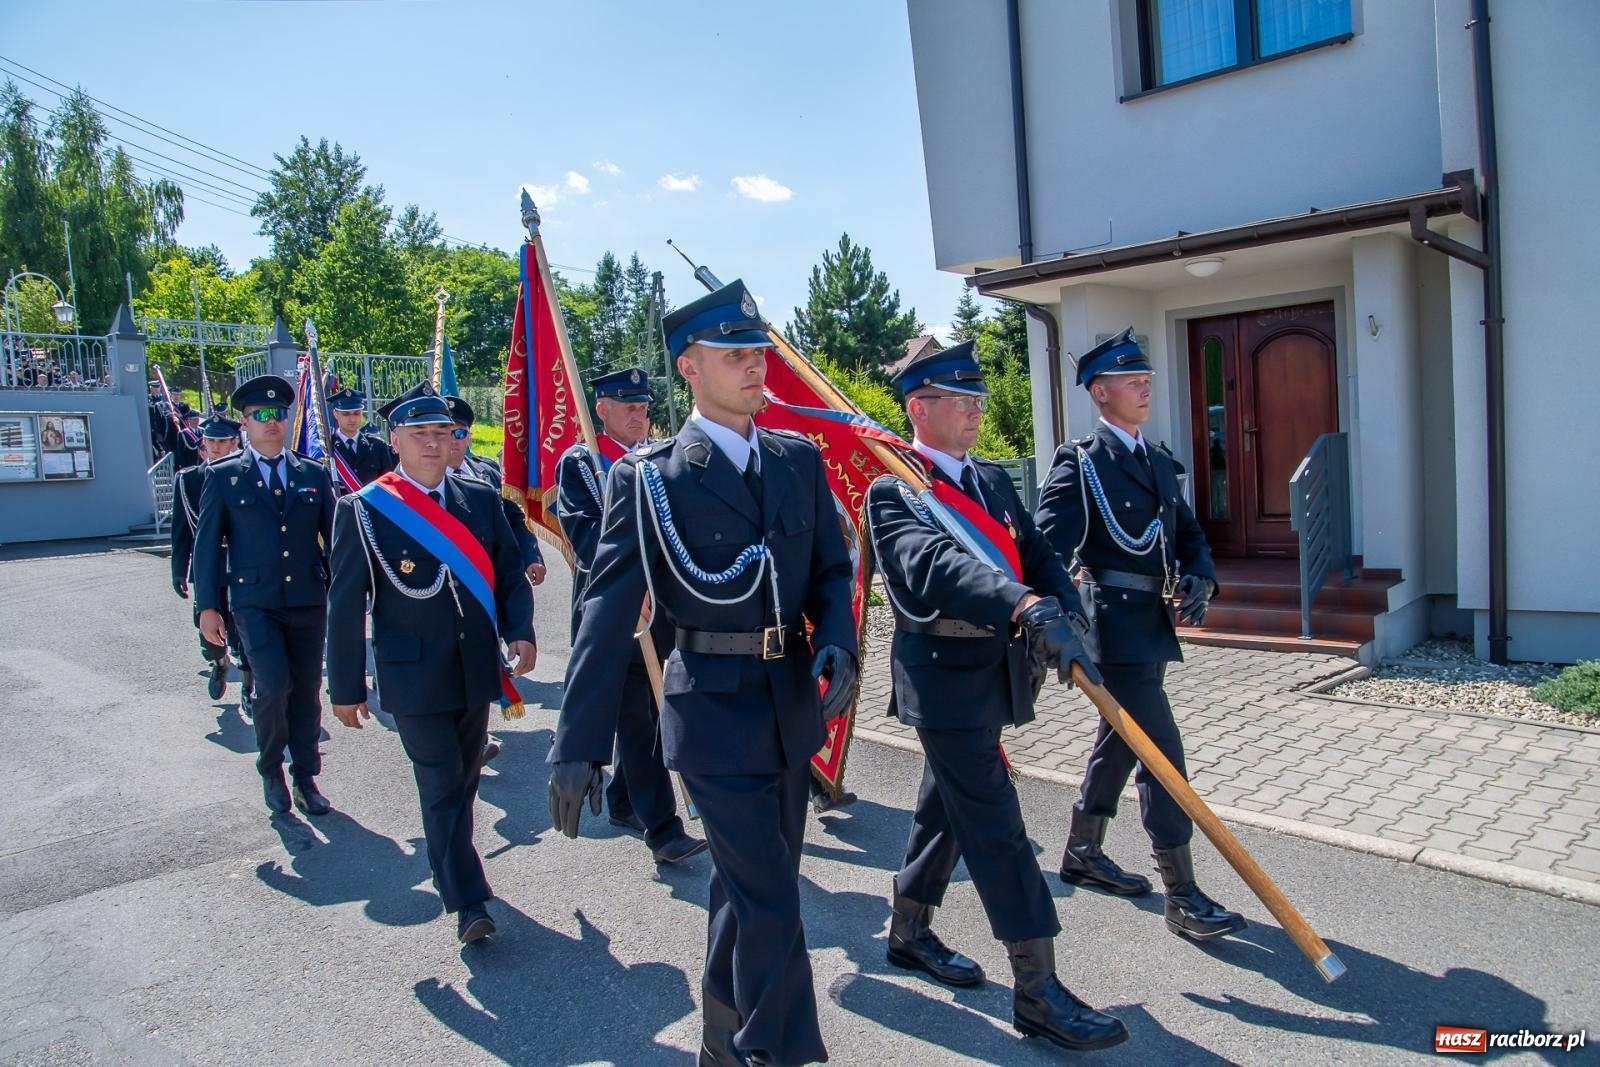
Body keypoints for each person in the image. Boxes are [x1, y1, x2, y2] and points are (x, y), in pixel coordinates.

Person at [547, 280, 857, 1067]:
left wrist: (841, 641)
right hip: (711, 712)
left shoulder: (796, 460)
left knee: (752, 887)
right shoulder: (650, 477)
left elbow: (830, 569)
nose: (756, 366)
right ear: (688, 366)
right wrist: (578, 739)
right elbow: (605, 610)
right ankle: (777, 1051)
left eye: (758, 351)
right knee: (772, 899)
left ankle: (720, 1038)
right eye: (734, 354)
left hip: (790, 702)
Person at [865, 340, 1127, 1053]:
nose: (977, 409)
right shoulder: (896, 487)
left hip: (996, 671)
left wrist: (1065, 608)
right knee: (998, 827)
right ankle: (1037, 990)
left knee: (944, 808)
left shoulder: (989, 480)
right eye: (961, 399)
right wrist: (1022, 604)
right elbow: (932, 567)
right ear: (919, 408)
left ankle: (908, 930)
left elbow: (1038, 552)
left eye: (978, 398)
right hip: (944, 678)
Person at [1033, 327, 1245, 943]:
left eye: (1145, 376)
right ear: (1100, 392)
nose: (1145, 385)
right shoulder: (1083, 462)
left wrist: (1202, 575)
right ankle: (1182, 896)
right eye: (1131, 378)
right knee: (1162, 754)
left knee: (1120, 744)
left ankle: (1082, 851)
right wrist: (1055, 619)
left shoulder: (1156, 460)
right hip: (1112, 628)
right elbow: (1045, 550)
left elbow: (1189, 534)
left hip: (1151, 624)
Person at [326, 381, 536, 943]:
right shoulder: (364, 509)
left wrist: (521, 631)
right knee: (442, 780)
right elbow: (346, 604)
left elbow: (509, 573)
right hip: (410, 674)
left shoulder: (480, 501)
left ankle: (456, 869)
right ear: (395, 440)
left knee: (464, 779)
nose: (433, 443)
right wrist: (344, 687)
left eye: (443, 432)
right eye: (419, 433)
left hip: (472, 667)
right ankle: (469, 899)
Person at [554, 367, 705, 864]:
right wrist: (628, 588)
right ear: (601, 409)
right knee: (637, 721)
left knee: (662, 713)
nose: (639, 414)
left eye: (643, 405)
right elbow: (584, 534)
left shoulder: (659, 461)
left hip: (660, 614)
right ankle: (664, 830)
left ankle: (624, 797)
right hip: (615, 615)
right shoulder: (581, 464)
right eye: (627, 406)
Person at [194, 374, 336, 818]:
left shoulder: (312, 474)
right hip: (254, 603)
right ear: (245, 422)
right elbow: (207, 547)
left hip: (307, 600)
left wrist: (351, 594)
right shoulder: (223, 476)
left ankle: (305, 775)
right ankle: (271, 766)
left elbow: (335, 540)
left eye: (279, 413)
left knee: (308, 689)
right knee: (273, 685)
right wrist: (207, 607)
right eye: (261, 415)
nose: (272, 422)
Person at [441, 393, 547, 769]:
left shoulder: (485, 475)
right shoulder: (408, 484)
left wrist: (531, 555)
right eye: (443, 431)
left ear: (469, 437)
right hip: (438, 600)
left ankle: (477, 735)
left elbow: (514, 523)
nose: (453, 440)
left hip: (484, 592)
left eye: (459, 432)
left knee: (478, 664)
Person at [171, 414, 253, 707]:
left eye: (222, 442)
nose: (216, 448)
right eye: (211, 441)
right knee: (208, 630)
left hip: (241, 565)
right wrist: (178, 570)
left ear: (235, 443)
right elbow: (181, 531)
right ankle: (218, 664)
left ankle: (249, 688)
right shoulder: (189, 480)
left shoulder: (246, 475)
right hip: (209, 568)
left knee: (246, 630)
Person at [328, 388, 396, 485]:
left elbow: (388, 482)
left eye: (356, 413)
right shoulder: (328, 446)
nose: (352, 419)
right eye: (346, 414)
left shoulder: (377, 446)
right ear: (335, 414)